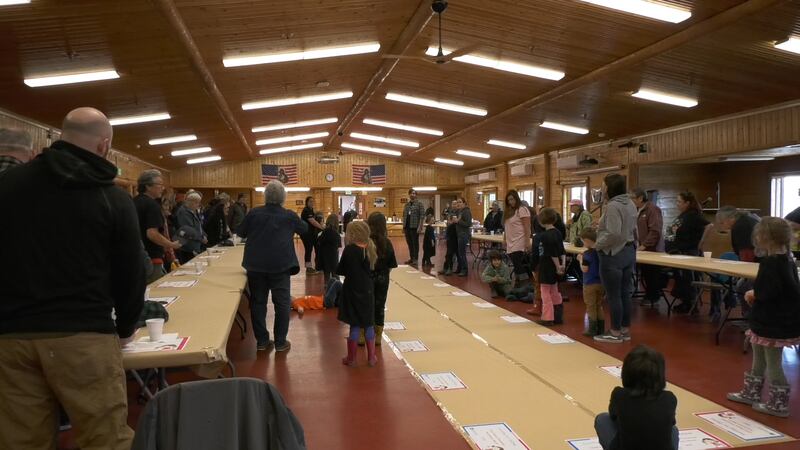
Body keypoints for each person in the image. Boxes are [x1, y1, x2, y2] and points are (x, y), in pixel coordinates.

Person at [0, 107, 145, 450]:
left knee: (20, 441)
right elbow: (130, 271)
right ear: (104, 145)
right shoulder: (111, 197)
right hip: (83, 334)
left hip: (11, 337)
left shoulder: (6, 186)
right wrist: (126, 326)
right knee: (105, 437)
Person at [727, 217, 800, 418]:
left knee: (772, 362)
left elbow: (768, 291)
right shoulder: (787, 259)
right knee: (758, 356)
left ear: (764, 237)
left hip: (772, 322)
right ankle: (751, 392)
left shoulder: (771, 263)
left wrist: (753, 294)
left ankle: (778, 404)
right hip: (771, 321)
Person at [238, 180, 308, 352]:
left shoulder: (254, 213)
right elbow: (304, 229)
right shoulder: (289, 216)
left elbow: (240, 231)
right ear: (283, 198)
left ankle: (262, 342)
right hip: (280, 265)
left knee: (258, 302)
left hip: (256, 265)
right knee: (282, 303)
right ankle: (280, 342)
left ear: (265, 196)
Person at [594, 345, 679, 450]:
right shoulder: (670, 398)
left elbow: (613, 416)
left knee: (603, 419)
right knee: (673, 429)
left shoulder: (619, 394)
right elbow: (671, 421)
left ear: (626, 373)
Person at [594, 174, 638, 344]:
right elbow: (630, 228)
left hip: (613, 254)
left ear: (608, 187)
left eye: (603, 185)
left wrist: (597, 244)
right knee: (625, 293)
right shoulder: (630, 203)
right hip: (628, 251)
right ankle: (624, 330)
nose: (602, 188)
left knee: (613, 295)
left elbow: (614, 233)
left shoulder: (613, 206)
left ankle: (614, 332)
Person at [337, 221, 378, 367]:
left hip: (352, 290)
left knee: (354, 325)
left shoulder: (349, 250)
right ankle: (371, 357)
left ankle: (352, 358)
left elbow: (340, 270)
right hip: (367, 290)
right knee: (368, 324)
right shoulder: (370, 248)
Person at [134, 169, 181, 282]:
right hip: (151, 257)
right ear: (148, 186)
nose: (162, 188)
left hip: (136, 255)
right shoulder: (152, 205)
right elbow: (152, 233)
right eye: (159, 184)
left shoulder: (134, 201)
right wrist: (171, 244)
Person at [665, 192, 709, 313]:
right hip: (678, 252)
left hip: (688, 252)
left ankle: (690, 304)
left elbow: (709, 226)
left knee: (687, 279)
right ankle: (684, 302)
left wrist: (701, 243)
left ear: (687, 203)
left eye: (679, 201)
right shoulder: (683, 215)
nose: (677, 204)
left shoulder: (693, 215)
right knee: (680, 279)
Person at [367, 212, 397, 346]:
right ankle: (378, 335)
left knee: (367, 304)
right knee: (380, 306)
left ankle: (365, 332)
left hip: (367, 278)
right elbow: (391, 265)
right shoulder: (387, 243)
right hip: (382, 278)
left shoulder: (366, 243)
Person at [630, 188, 665, 303]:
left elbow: (655, 230)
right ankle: (649, 295)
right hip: (642, 248)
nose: (631, 200)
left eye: (633, 198)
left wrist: (644, 245)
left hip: (653, 249)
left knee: (652, 274)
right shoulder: (637, 210)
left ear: (640, 198)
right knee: (646, 273)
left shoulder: (652, 209)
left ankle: (653, 296)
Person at [534, 207, 566, 326]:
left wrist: (557, 266)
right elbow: (561, 250)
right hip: (558, 264)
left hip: (547, 265)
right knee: (554, 290)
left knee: (545, 292)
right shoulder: (558, 232)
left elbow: (552, 253)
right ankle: (558, 316)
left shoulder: (544, 236)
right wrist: (562, 265)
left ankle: (547, 317)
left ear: (541, 221)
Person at [579, 228, 605, 336]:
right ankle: (601, 328)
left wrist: (580, 259)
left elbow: (584, 269)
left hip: (589, 283)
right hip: (601, 282)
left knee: (590, 306)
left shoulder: (586, 254)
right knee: (599, 305)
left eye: (583, 241)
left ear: (587, 241)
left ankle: (592, 329)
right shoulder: (601, 252)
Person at [503, 190, 532, 286]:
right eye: (508, 200)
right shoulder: (509, 212)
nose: (510, 202)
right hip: (510, 241)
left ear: (516, 198)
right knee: (516, 265)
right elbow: (506, 227)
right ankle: (518, 283)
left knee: (518, 264)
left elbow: (527, 227)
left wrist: (527, 242)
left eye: (512, 199)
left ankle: (525, 284)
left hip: (520, 240)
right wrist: (504, 239)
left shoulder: (522, 209)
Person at [300, 196, 324, 274]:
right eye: (310, 201)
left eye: (313, 201)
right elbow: (312, 221)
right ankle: (308, 268)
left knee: (318, 248)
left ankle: (318, 266)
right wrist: (322, 228)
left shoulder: (312, 210)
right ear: (307, 202)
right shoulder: (306, 210)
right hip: (306, 234)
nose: (312, 203)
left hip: (312, 233)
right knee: (309, 249)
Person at [402, 188, 426, 267]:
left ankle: (415, 259)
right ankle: (412, 258)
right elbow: (404, 216)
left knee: (415, 243)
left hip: (415, 227)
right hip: (407, 227)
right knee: (409, 243)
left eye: (414, 193)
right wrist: (403, 227)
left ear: (416, 195)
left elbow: (422, 216)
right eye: (412, 193)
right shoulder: (407, 205)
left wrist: (420, 227)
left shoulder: (419, 204)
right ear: (409, 194)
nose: (413, 195)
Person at [318, 214, 342, 284]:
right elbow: (339, 245)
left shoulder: (324, 231)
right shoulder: (336, 233)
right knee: (335, 273)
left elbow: (320, 241)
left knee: (326, 274)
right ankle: (337, 286)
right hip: (333, 255)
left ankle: (327, 286)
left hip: (324, 255)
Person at [454, 196, 473, 277]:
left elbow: (468, 224)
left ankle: (464, 270)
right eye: (457, 202)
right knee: (459, 253)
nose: (458, 204)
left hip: (464, 234)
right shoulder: (459, 211)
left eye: (460, 202)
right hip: (459, 234)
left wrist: (458, 221)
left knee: (462, 253)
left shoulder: (466, 211)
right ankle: (459, 268)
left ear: (464, 203)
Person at [443, 200, 460, 275]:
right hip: (449, 234)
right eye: (453, 204)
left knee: (453, 253)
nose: (454, 205)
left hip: (455, 235)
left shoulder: (459, 213)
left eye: (455, 204)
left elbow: (456, 222)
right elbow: (448, 222)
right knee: (448, 253)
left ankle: (450, 268)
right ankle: (445, 268)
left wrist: (452, 222)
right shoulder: (450, 212)